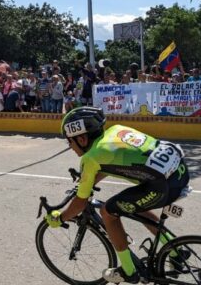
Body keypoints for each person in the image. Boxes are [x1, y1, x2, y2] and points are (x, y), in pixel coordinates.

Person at [45, 107, 190, 284]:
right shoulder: (116, 130)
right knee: (134, 207)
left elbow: (80, 205)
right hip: (179, 172)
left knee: (108, 212)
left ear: (82, 139)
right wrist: (88, 181)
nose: (70, 147)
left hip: (162, 186)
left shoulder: (90, 158)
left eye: (70, 142)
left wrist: (60, 218)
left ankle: (129, 271)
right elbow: (108, 163)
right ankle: (176, 251)